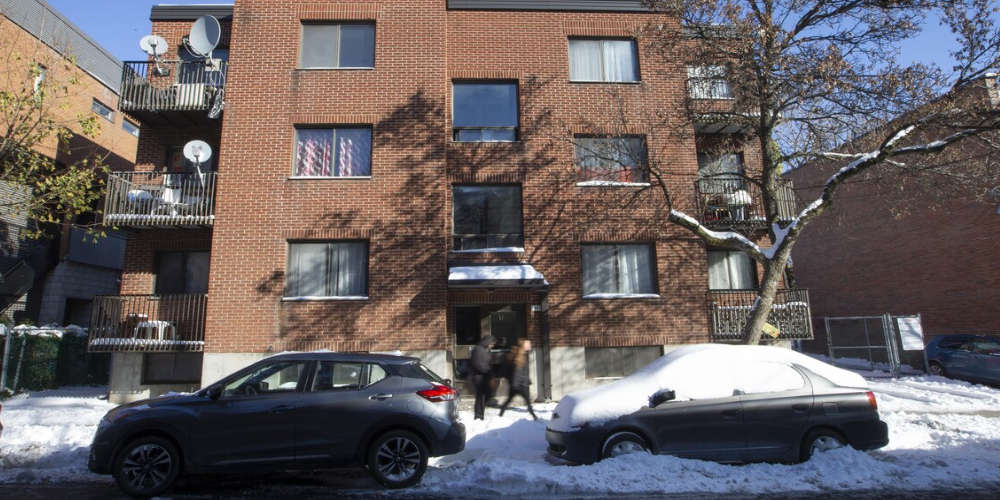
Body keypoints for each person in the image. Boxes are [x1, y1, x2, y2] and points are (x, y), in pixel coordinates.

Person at [498, 339, 537, 420]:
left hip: (519, 383)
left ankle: (501, 413)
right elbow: (517, 371)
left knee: (510, 400)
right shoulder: (520, 356)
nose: (530, 345)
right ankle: (534, 416)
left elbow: (524, 371)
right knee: (527, 401)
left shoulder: (523, 354)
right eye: (528, 344)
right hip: (520, 384)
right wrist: (515, 384)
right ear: (523, 346)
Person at [469, 335, 496, 420]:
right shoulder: (478, 350)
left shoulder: (486, 350)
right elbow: (477, 364)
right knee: (480, 396)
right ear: (487, 342)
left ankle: (480, 414)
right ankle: (478, 415)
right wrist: (487, 370)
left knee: (484, 396)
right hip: (479, 377)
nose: (492, 345)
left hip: (485, 377)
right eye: (491, 343)